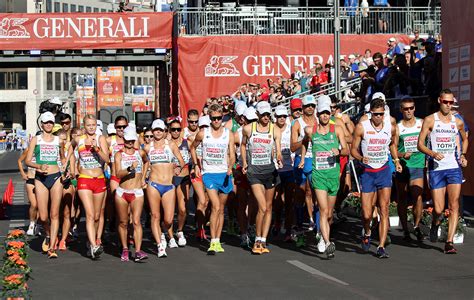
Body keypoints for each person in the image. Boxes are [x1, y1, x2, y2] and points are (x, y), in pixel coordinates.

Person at [417, 89, 468, 254]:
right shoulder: (430, 120)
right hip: (436, 168)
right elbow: (420, 144)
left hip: (453, 167)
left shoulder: (457, 121)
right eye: (445, 102)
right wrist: (432, 154)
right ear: (440, 101)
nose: (448, 105)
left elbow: (465, 139)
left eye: (450, 102)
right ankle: (435, 222)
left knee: (454, 205)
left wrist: (463, 155)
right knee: (438, 209)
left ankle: (449, 242)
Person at [351, 98, 402, 259]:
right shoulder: (362, 127)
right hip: (368, 172)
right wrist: (360, 158)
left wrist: (396, 160)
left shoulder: (390, 126)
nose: (379, 117)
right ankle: (366, 232)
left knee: (384, 208)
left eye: (382, 114)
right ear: (371, 113)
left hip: (384, 170)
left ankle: (380, 246)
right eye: (376, 114)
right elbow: (353, 149)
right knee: (367, 213)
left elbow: (392, 144)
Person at [301, 96, 349, 258]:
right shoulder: (310, 130)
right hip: (319, 176)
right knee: (322, 210)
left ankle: (322, 235)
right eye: (322, 113)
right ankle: (328, 243)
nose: (325, 116)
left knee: (329, 214)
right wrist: (302, 158)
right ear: (318, 114)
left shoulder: (337, 130)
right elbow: (304, 143)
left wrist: (339, 151)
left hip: (333, 176)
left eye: (327, 113)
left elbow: (347, 150)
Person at [190, 104, 235, 255]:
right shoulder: (203, 133)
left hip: (224, 174)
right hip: (208, 173)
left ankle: (217, 240)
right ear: (209, 118)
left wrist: (230, 166)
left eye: (218, 118)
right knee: (215, 205)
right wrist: (196, 164)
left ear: (222, 117)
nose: (216, 121)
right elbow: (192, 147)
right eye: (213, 118)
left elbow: (232, 153)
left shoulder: (229, 133)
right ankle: (213, 241)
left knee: (221, 209)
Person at [241, 101, 282, 254]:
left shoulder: (274, 129)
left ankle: (263, 240)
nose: (266, 117)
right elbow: (243, 145)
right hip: (254, 173)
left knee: (269, 207)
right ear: (257, 114)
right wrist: (245, 162)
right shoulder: (248, 129)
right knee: (262, 206)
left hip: (270, 172)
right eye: (263, 114)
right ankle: (257, 238)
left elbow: (277, 148)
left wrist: (279, 157)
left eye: (268, 114)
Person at [25, 112, 65, 259]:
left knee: (54, 214)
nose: (48, 125)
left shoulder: (58, 140)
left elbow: (63, 158)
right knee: (43, 216)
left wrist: (66, 168)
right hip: (40, 179)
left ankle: (52, 247)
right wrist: (38, 166)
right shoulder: (36, 140)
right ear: (41, 124)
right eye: (46, 122)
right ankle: (48, 234)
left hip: (56, 178)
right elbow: (28, 161)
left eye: (51, 122)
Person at [145, 119, 185, 258]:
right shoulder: (147, 147)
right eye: (155, 129)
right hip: (153, 184)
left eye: (160, 130)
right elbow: (143, 162)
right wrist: (142, 178)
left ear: (164, 131)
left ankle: (163, 231)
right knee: (155, 215)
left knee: (168, 219)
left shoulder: (171, 145)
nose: (158, 132)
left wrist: (179, 168)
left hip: (168, 185)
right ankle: (159, 245)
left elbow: (181, 160)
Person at [74, 114, 109, 259]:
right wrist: (71, 167)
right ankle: (95, 245)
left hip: (99, 179)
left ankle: (91, 241)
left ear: (96, 125)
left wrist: (97, 150)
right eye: (88, 125)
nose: (91, 128)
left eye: (93, 125)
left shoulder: (101, 138)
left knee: (96, 216)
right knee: (89, 214)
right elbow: (70, 149)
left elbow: (108, 159)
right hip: (85, 179)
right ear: (84, 126)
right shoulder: (79, 139)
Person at [114, 126, 149, 262]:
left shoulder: (140, 153)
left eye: (131, 141)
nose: (129, 143)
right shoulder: (119, 154)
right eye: (127, 140)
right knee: (123, 222)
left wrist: (143, 177)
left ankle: (138, 251)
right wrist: (130, 168)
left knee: (136, 221)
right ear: (123, 139)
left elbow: (147, 161)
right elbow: (117, 173)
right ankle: (125, 249)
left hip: (137, 192)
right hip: (122, 192)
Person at [395, 97, 425, 241]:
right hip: (402, 165)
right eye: (405, 108)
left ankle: (417, 226)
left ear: (414, 108)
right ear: (401, 110)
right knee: (402, 196)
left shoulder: (421, 123)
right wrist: (401, 155)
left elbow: (430, 141)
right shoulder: (398, 127)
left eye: (411, 108)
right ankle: (406, 229)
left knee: (417, 194)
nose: (409, 111)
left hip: (418, 164)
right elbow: (393, 148)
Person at [291, 95, 318, 247]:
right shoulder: (297, 123)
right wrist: (305, 139)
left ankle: (318, 230)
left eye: (312, 106)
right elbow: (292, 147)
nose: (310, 108)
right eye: (307, 106)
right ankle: (299, 229)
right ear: (302, 108)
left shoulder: (320, 121)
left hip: (316, 160)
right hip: (300, 160)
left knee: (316, 194)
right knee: (301, 194)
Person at [273, 105, 295, 242]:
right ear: (275, 117)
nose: (282, 119)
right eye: (279, 116)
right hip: (275, 169)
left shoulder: (291, 129)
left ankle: (288, 229)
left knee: (289, 201)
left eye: (284, 116)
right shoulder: (271, 129)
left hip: (290, 168)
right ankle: (276, 222)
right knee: (276, 200)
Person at [169, 119, 191, 247]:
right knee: (170, 210)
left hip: (183, 177)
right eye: (173, 129)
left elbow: (194, 156)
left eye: (178, 129)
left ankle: (180, 231)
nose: (176, 132)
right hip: (170, 178)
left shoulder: (186, 142)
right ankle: (170, 235)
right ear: (169, 130)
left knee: (182, 209)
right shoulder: (166, 144)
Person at [188, 115, 210, 241]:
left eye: (206, 126)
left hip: (210, 172)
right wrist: (195, 164)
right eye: (201, 127)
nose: (203, 129)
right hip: (196, 172)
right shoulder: (192, 138)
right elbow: (192, 150)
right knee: (201, 200)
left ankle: (202, 224)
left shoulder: (214, 139)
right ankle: (200, 228)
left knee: (207, 202)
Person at [18, 133, 40, 236]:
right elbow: (19, 161)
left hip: (42, 179)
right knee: (34, 204)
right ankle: (32, 223)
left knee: (42, 205)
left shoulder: (46, 151)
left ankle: (39, 224)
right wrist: (23, 173)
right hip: (31, 179)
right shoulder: (28, 150)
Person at [57, 129, 75, 251]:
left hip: (67, 185)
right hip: (55, 184)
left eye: (65, 139)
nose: (63, 141)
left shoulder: (70, 153)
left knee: (67, 213)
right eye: (61, 139)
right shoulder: (52, 152)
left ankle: (63, 239)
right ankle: (54, 236)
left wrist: (70, 174)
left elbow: (74, 172)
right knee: (55, 213)